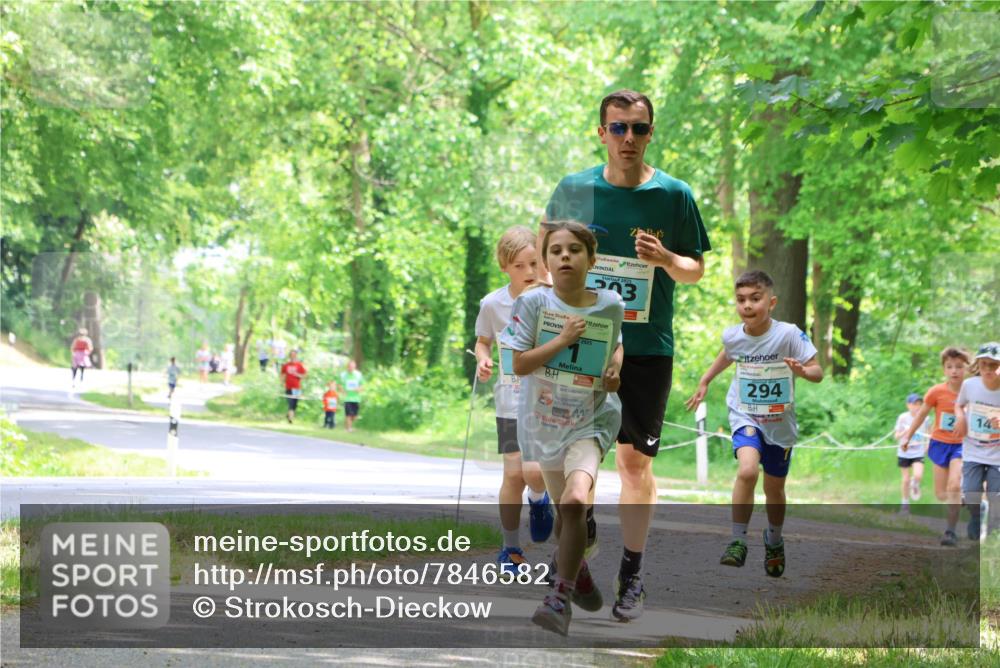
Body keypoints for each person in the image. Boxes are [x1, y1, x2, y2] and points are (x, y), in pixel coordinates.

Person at [543, 90, 711, 620]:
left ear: (650, 133)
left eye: (638, 129)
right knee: (567, 459)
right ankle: (580, 539)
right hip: (580, 340)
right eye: (618, 129)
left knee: (634, 463)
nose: (628, 139)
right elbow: (550, 260)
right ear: (602, 134)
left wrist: (665, 258)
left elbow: (696, 269)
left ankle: (632, 574)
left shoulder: (674, 195)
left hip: (646, 347)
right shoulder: (575, 189)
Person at [501, 221, 624, 636]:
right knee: (563, 515)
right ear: (548, 260)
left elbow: (616, 345)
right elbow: (517, 363)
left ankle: (559, 596)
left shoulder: (609, 304)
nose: (565, 256)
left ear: (592, 259)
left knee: (574, 502)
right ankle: (580, 570)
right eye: (556, 251)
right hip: (545, 423)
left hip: (590, 420)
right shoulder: (533, 305)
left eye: (575, 250)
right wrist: (562, 339)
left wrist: (613, 371)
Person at [685, 270, 823, 578]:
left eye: (755, 299)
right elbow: (729, 354)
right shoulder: (733, 335)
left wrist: (801, 370)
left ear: (771, 302)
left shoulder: (788, 334)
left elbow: (818, 371)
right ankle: (737, 539)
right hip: (745, 414)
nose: (747, 305)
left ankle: (773, 539)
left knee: (775, 489)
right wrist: (706, 379)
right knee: (747, 470)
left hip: (780, 423)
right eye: (741, 300)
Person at [474, 225, 554, 574]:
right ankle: (510, 548)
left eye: (535, 264)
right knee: (512, 474)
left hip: (549, 399)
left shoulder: (555, 296)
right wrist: (483, 360)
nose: (530, 273)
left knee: (534, 473)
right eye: (520, 266)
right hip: (510, 400)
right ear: (505, 266)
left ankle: (539, 500)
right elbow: (482, 341)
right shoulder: (492, 304)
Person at [901, 347, 970, 546]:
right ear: (944, 370)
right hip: (939, 444)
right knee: (941, 494)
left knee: (954, 485)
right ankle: (960, 500)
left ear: (966, 369)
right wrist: (908, 436)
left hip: (961, 445)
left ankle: (950, 531)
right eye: (950, 367)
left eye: (959, 367)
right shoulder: (937, 392)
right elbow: (921, 414)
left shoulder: (973, 391)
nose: (954, 371)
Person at [955, 342, 1000, 540]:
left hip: (997, 454)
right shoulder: (969, 385)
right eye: (984, 364)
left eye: (994, 365)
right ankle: (976, 515)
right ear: (978, 365)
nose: (989, 369)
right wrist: (960, 418)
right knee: (971, 494)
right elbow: (959, 405)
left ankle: (991, 538)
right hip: (973, 449)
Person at [894, 393, 931, 513]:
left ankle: (915, 485)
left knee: (918, 475)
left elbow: (929, 434)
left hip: (918, 452)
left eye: (920, 404)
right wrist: (905, 432)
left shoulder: (926, 418)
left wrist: (927, 445)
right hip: (904, 452)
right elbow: (896, 436)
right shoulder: (902, 418)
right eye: (914, 404)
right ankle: (904, 504)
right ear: (908, 405)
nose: (917, 406)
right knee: (905, 480)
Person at [280, 349, 307, 423]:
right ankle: (290, 419)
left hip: (297, 388)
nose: (293, 356)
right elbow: (282, 375)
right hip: (288, 387)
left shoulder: (299, 365)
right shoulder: (286, 365)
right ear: (290, 356)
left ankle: (289, 415)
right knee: (290, 403)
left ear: (296, 356)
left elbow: (305, 375)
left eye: (294, 355)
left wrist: (298, 374)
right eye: (291, 355)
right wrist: (282, 383)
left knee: (295, 404)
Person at [339, 360, 363, 432]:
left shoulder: (358, 375)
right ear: (347, 367)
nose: (351, 368)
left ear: (355, 367)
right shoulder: (343, 375)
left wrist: (359, 389)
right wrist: (342, 391)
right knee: (348, 414)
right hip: (347, 398)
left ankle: (347, 426)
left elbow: (362, 385)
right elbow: (339, 384)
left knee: (354, 416)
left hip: (356, 398)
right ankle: (349, 429)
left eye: (352, 367)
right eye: (349, 366)